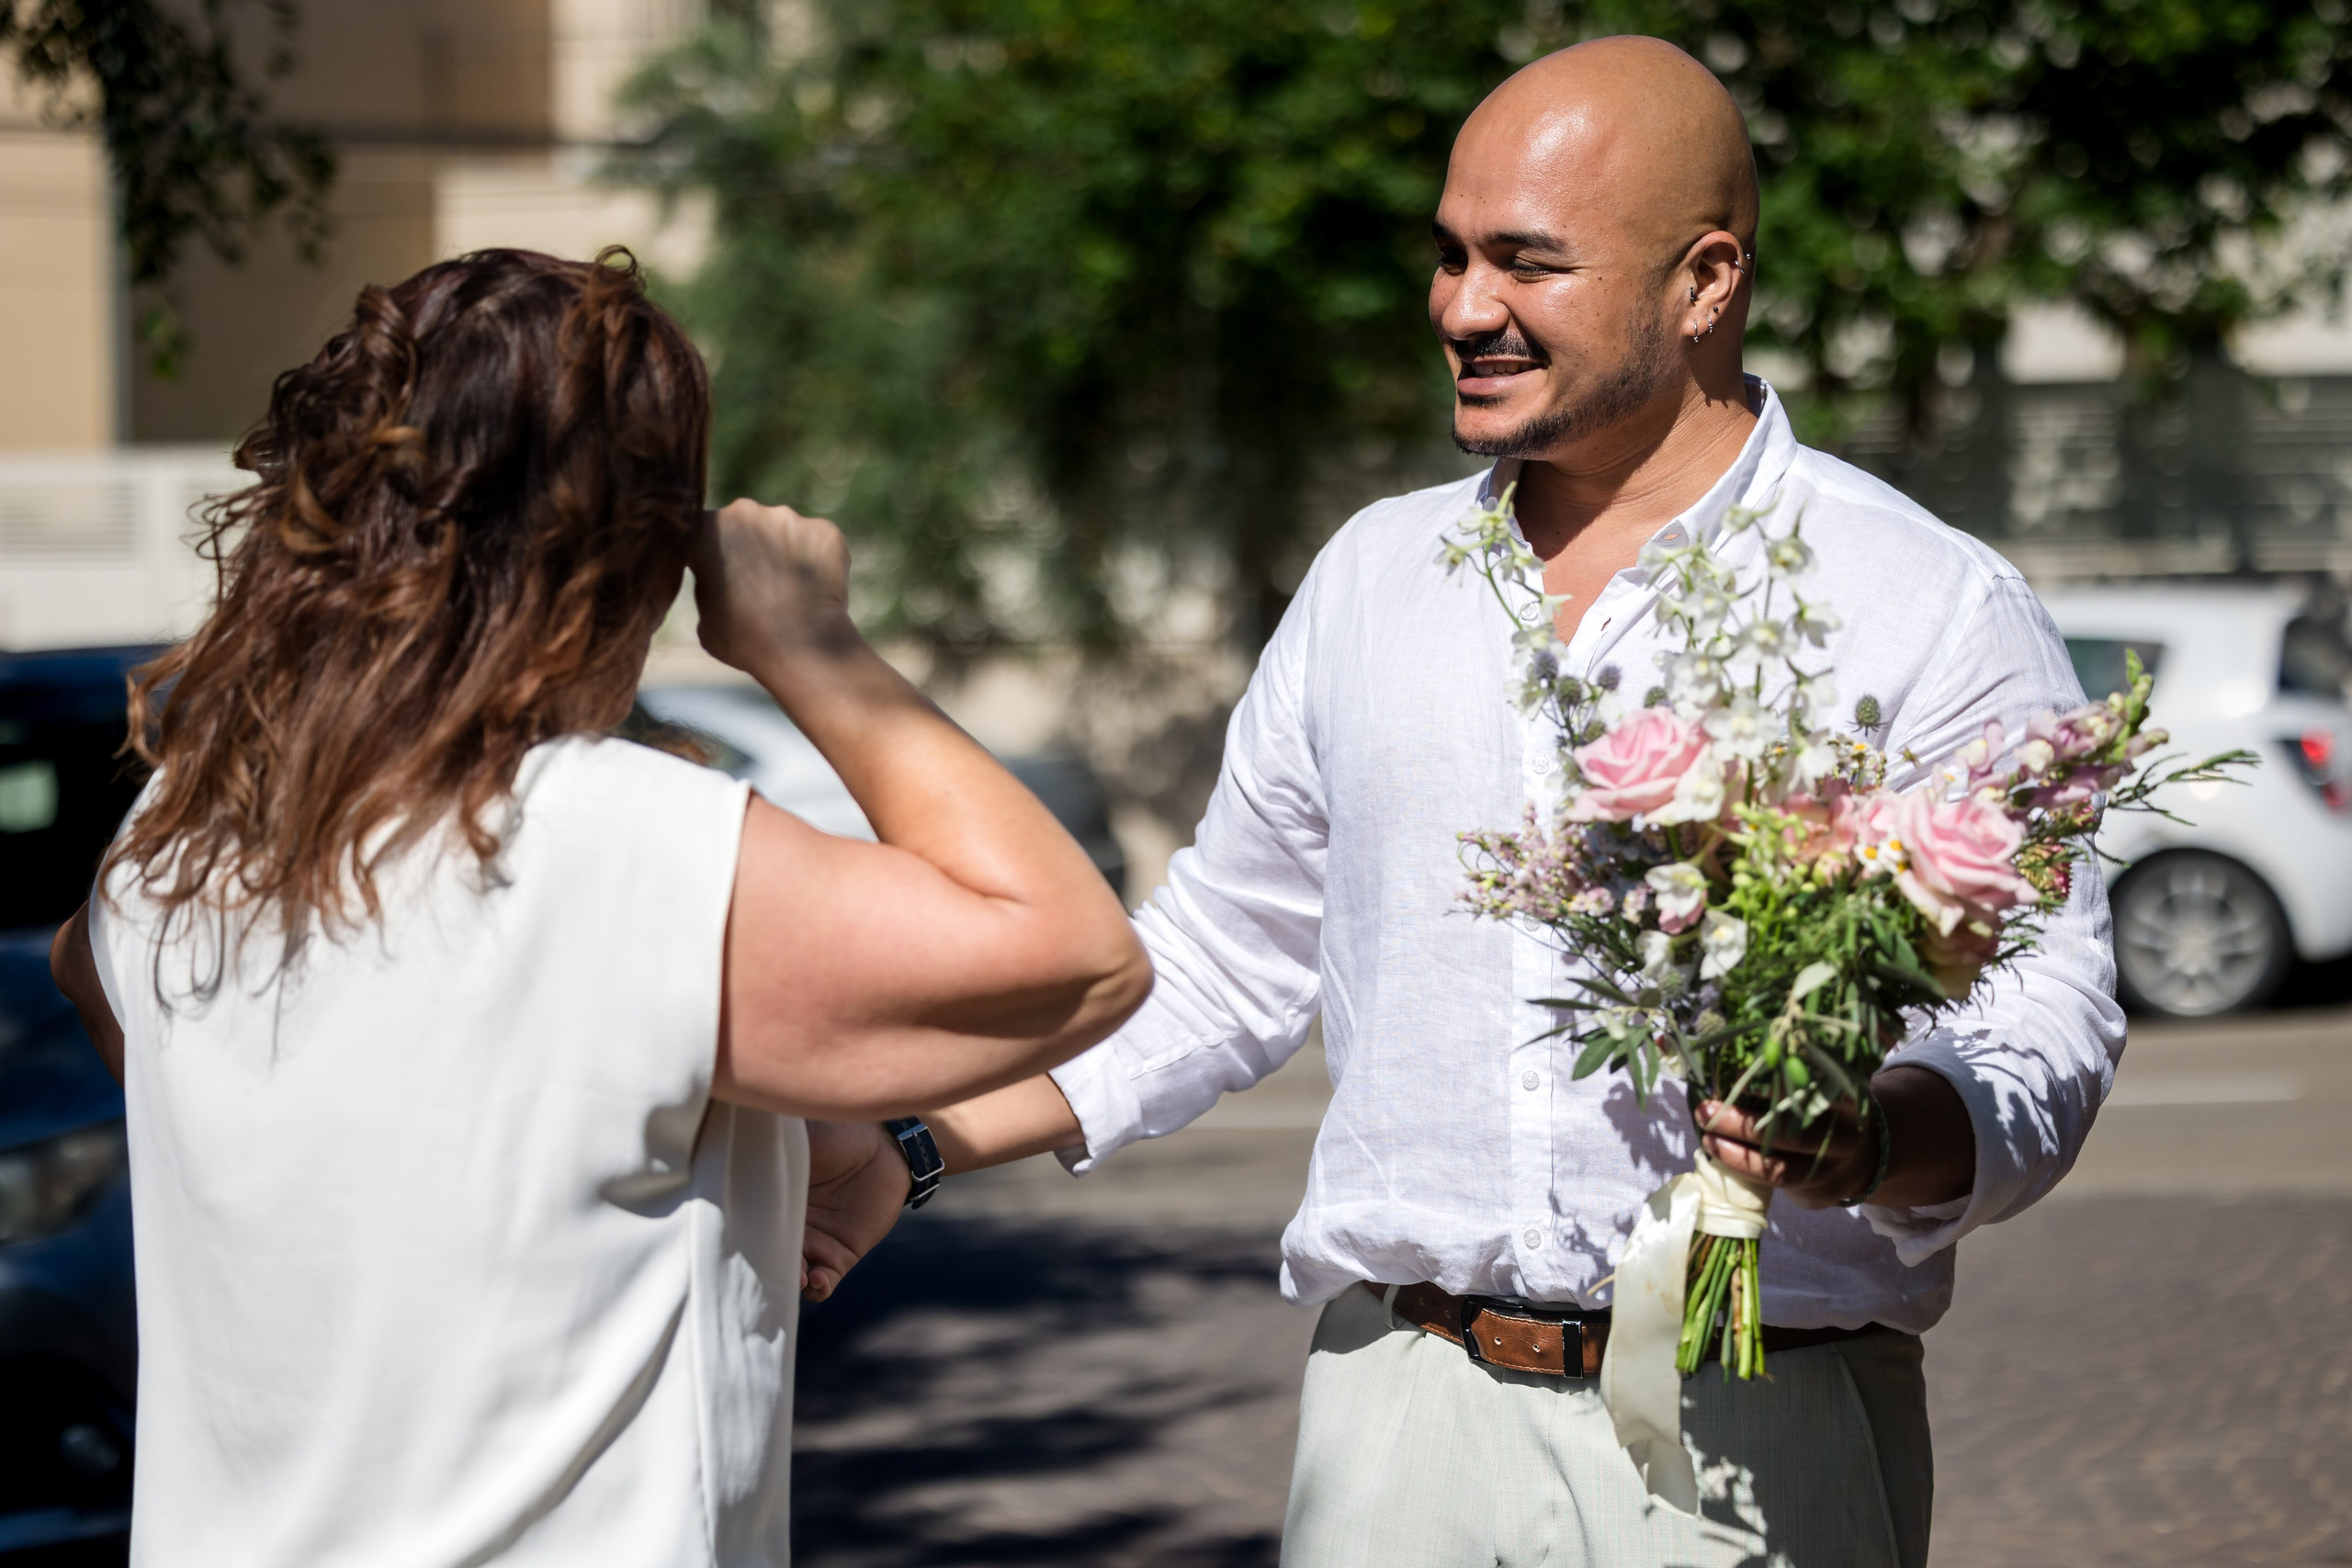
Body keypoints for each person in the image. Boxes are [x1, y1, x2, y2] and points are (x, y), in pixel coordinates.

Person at [813, 35, 2123, 1568]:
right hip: (1397, 1415)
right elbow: (1226, 961)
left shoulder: (1922, 599)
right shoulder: (1374, 577)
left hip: (1752, 1410)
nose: (1461, 307)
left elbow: (2043, 1022)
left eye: (1527, 263)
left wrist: (1870, 1136)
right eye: (1446, 257)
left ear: (1706, 282)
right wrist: (908, 1144)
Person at [45, 247, 1152, 1566]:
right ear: (637, 548)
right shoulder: (608, 837)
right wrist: (810, 645)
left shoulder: (172, 841)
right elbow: (1077, 959)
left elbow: (89, 977)